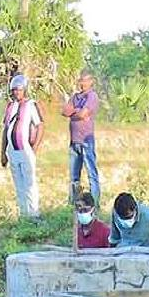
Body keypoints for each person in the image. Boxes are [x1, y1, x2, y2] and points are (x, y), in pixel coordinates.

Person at [0, 73, 44, 218]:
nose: (16, 92)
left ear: (24, 89)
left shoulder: (31, 105)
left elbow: (40, 125)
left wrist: (35, 147)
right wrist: (3, 153)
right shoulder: (10, 106)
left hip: (26, 151)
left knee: (29, 184)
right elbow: (5, 129)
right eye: (14, 90)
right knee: (19, 186)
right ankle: (24, 215)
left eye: (19, 89)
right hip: (12, 152)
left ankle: (34, 214)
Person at [61, 71, 101, 206]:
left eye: (85, 80)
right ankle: (73, 203)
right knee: (74, 176)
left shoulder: (92, 96)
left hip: (86, 140)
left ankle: (94, 203)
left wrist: (74, 112)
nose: (82, 83)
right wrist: (76, 113)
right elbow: (64, 111)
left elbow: (83, 113)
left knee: (91, 174)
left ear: (91, 81)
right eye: (81, 80)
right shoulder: (75, 96)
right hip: (74, 141)